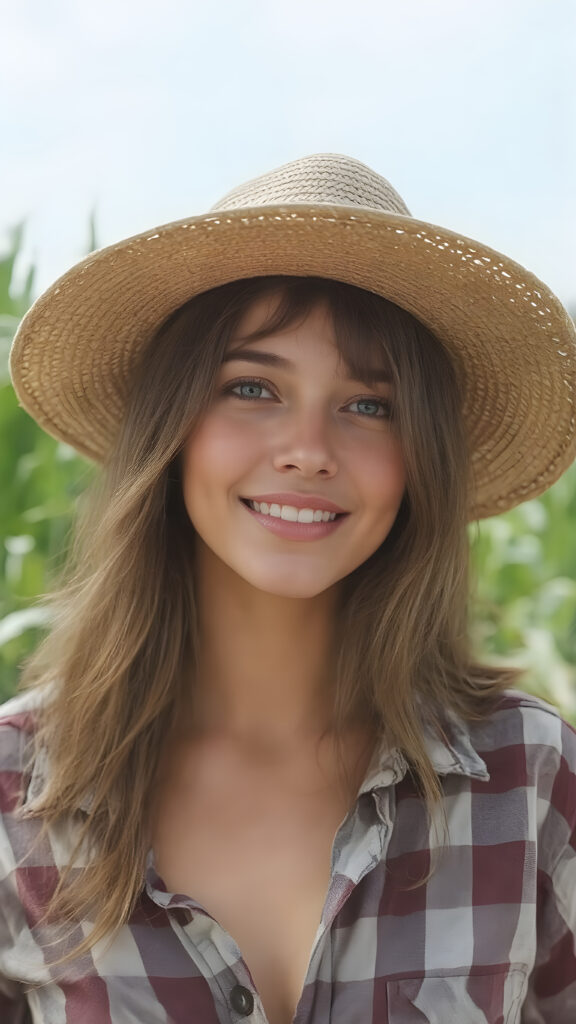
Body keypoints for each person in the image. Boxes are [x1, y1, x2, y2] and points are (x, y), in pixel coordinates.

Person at [1, 152, 575, 1024]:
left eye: (369, 405)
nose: (308, 448)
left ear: (418, 460)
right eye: (253, 388)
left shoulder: (530, 779)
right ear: (174, 429)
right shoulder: (15, 791)